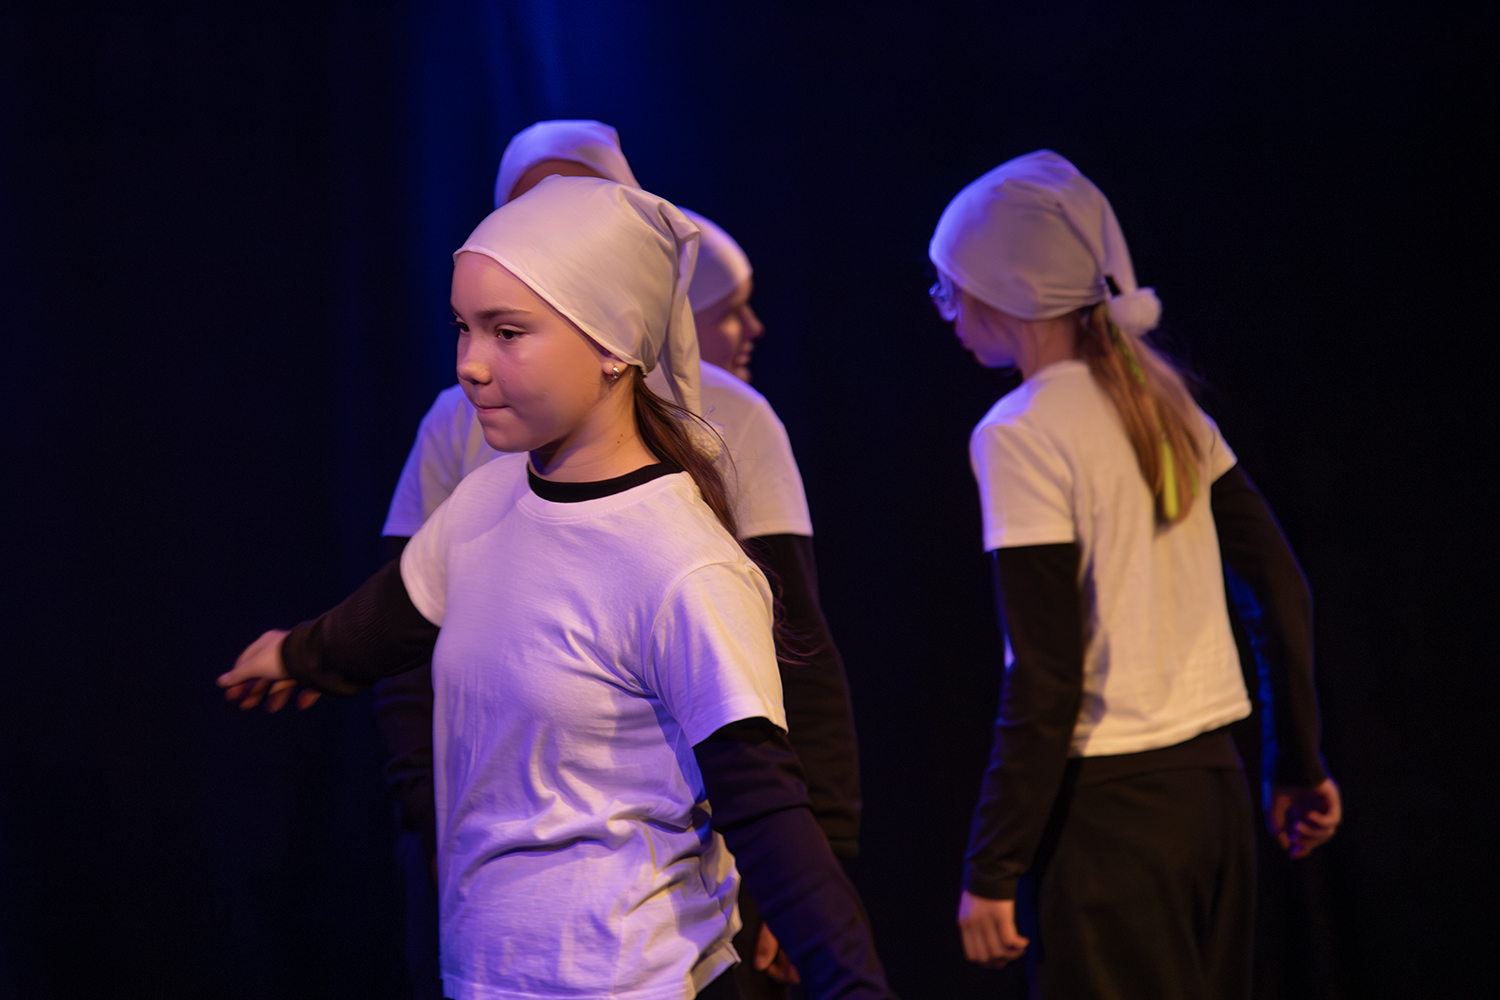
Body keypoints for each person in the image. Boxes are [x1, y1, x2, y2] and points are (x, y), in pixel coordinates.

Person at [219, 176, 891, 1000]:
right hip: (487, 979)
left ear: (614, 344)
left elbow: (765, 809)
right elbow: (389, 618)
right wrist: (295, 655)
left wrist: (854, 986)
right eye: (463, 328)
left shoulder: (682, 567)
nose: (470, 365)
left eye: (508, 332)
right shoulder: (484, 503)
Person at [375, 120, 860, 999]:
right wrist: (426, 803)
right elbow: (398, 624)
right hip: (491, 924)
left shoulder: (728, 432)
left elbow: (789, 668)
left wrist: (820, 868)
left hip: (645, 942)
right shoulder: (464, 437)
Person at [928, 150, 1341, 999]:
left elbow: (1047, 675)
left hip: (1109, 822)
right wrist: (1296, 763)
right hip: (1214, 801)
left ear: (1008, 285)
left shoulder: (1019, 431)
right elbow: (1282, 591)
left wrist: (993, 863)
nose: (946, 308)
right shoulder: (1166, 403)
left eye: (951, 285)